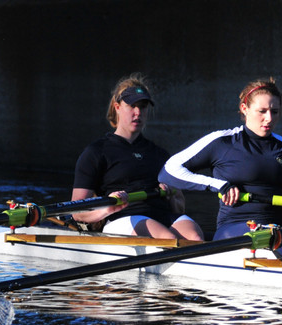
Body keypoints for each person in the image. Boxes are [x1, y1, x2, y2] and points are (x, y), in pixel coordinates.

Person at [159, 78, 282, 239]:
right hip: (234, 228)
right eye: (262, 111)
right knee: (270, 239)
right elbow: (168, 171)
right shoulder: (222, 142)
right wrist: (218, 185)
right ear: (244, 108)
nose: (269, 118)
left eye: (274, 112)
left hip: (280, 229)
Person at [71, 74, 203, 240]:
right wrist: (107, 209)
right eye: (132, 106)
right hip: (122, 217)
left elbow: (178, 209)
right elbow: (77, 212)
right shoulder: (96, 152)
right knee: (168, 239)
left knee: (195, 238)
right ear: (117, 106)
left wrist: (173, 196)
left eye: (143, 106)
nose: (138, 112)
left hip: (160, 215)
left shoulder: (159, 154)